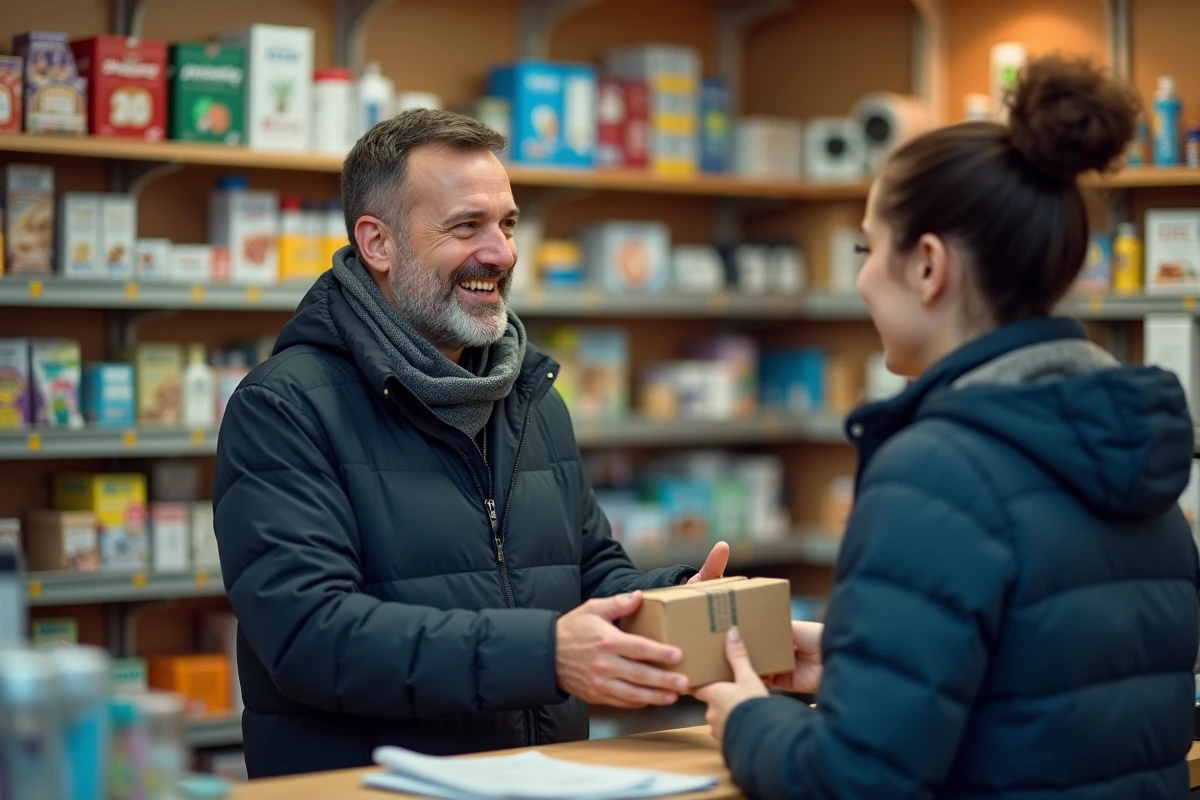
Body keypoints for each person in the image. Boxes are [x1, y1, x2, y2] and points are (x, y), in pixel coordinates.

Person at [695, 55, 1200, 798]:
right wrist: (865, 665)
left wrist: (747, 722)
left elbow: (855, 780)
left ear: (928, 267)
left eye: (869, 249)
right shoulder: (1130, 453)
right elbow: (1058, 694)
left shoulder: (937, 469)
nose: (862, 278)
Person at [211, 109, 730, 779]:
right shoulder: (285, 407)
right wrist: (545, 654)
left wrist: (684, 605)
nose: (503, 253)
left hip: (546, 779)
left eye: (508, 224)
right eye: (466, 227)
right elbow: (311, 636)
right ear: (378, 243)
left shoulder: (529, 395)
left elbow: (590, 576)